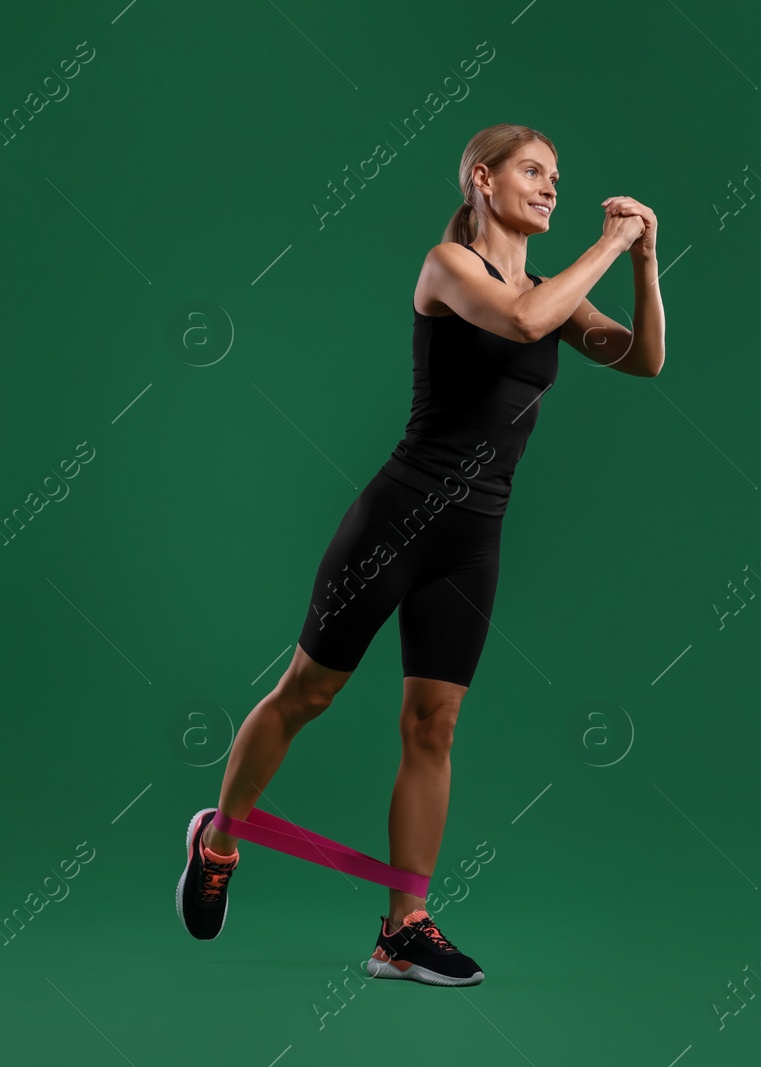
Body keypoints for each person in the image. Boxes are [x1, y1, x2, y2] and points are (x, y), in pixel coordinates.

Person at [175, 123, 664, 986]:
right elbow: (521, 320)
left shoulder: (556, 287)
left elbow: (643, 359)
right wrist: (610, 237)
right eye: (534, 171)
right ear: (483, 178)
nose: (552, 186)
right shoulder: (449, 268)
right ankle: (219, 840)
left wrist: (644, 263)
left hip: (475, 537)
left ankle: (402, 929)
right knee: (307, 693)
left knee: (433, 725)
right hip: (396, 520)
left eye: (558, 175)